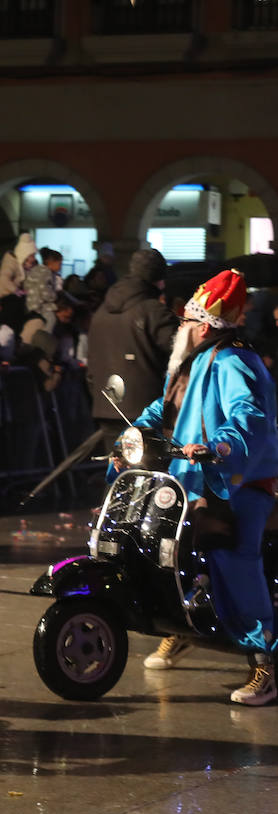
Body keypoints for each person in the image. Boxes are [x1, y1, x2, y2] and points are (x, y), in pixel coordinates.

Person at [116, 270, 277, 705]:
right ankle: (179, 626)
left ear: (204, 326)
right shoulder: (191, 360)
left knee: (230, 554)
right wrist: (130, 436)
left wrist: (219, 445)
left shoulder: (234, 361)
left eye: (187, 320)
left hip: (238, 481)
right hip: (189, 479)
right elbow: (162, 408)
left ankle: (266, 661)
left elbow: (250, 416)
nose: (181, 328)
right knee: (156, 546)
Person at [86, 247, 175, 446]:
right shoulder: (153, 310)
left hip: (107, 405)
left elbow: (91, 360)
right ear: (159, 279)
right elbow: (181, 353)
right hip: (146, 409)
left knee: (119, 472)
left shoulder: (101, 311)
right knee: (149, 472)